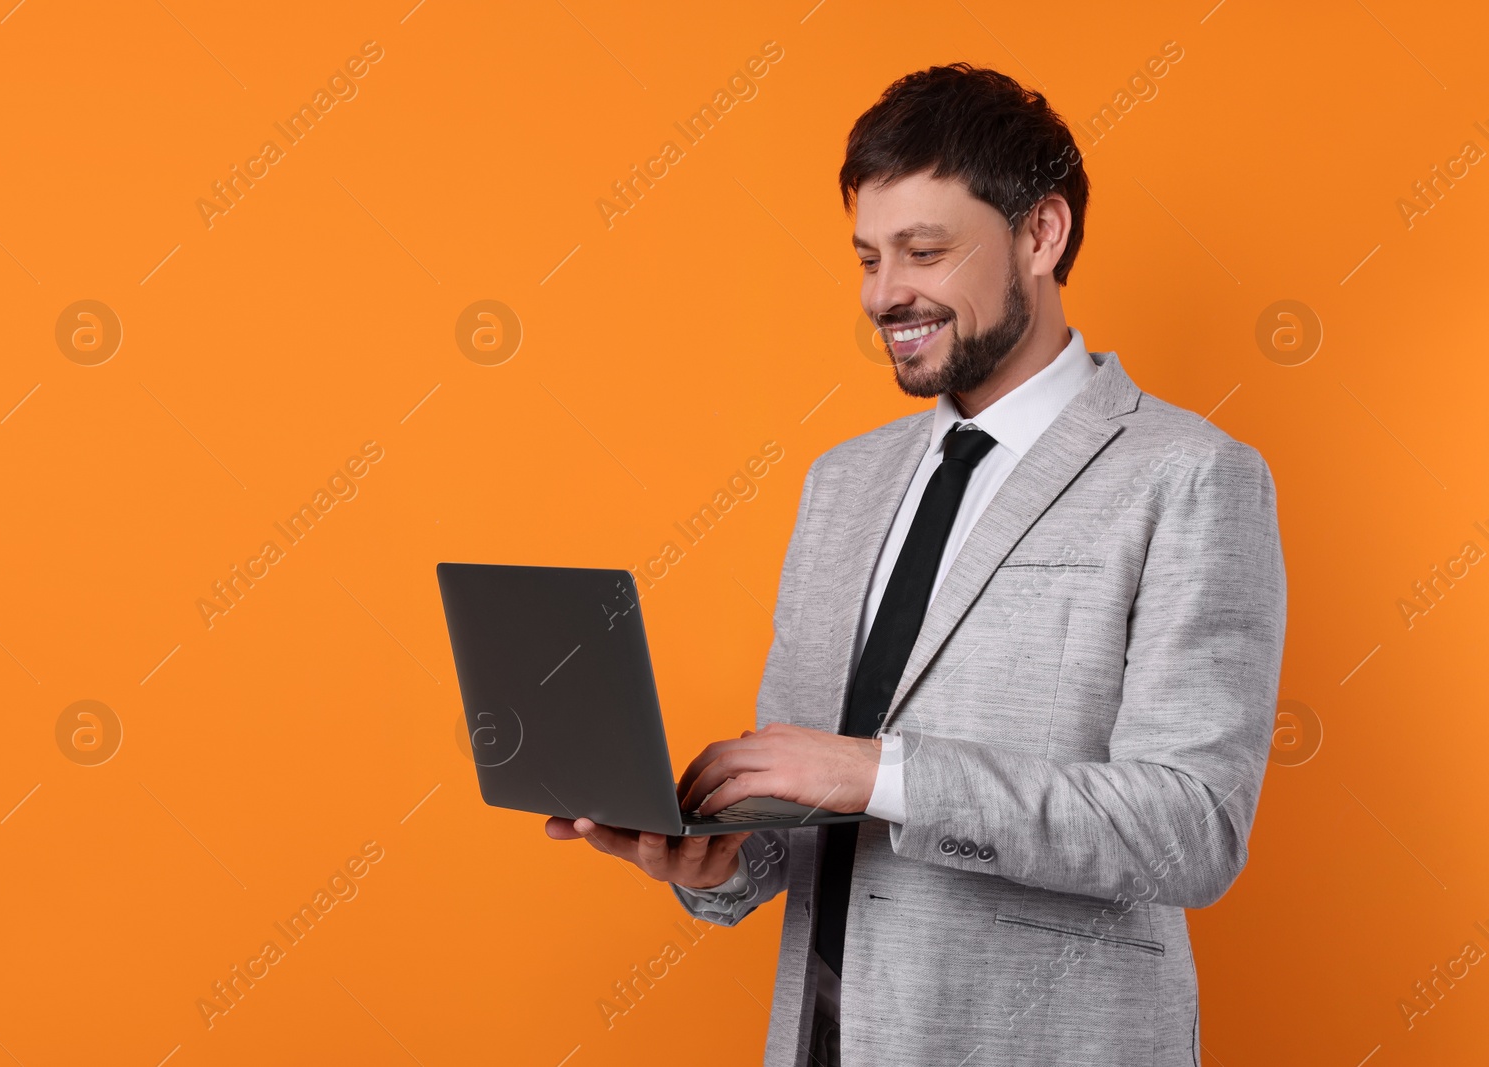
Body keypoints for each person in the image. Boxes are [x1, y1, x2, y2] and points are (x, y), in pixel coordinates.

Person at [546, 62, 1287, 1066]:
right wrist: (711, 857)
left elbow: (1189, 829)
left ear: (1040, 233)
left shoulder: (1191, 477)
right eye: (866, 257)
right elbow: (802, 823)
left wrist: (877, 770)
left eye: (923, 251)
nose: (884, 293)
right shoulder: (840, 483)